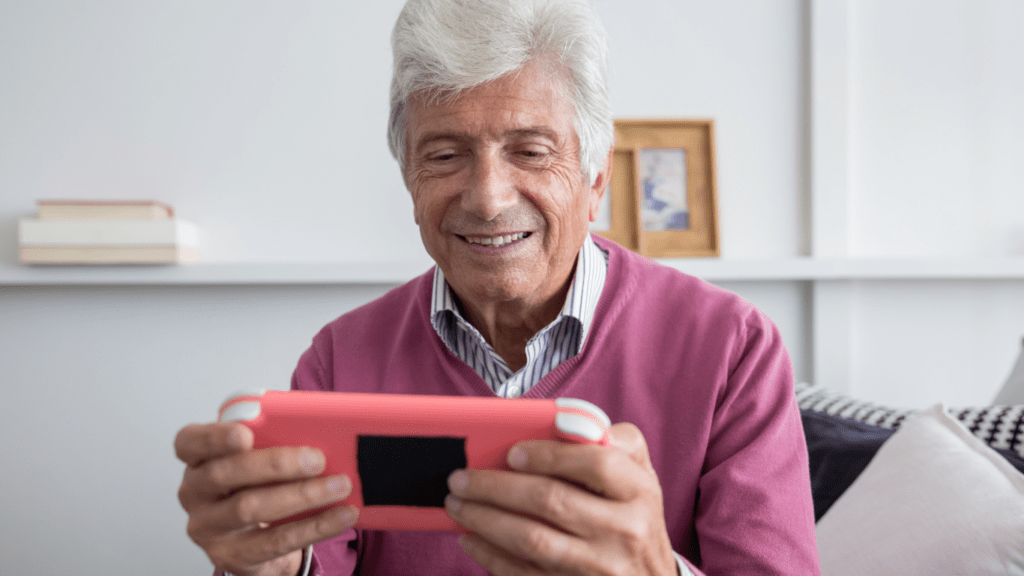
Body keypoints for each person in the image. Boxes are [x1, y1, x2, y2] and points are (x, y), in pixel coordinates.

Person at [174, 1, 821, 574]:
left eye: (531, 151)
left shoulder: (733, 348)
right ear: (409, 179)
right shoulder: (340, 357)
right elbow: (313, 558)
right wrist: (272, 564)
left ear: (595, 177)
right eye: (445, 155)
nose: (487, 199)